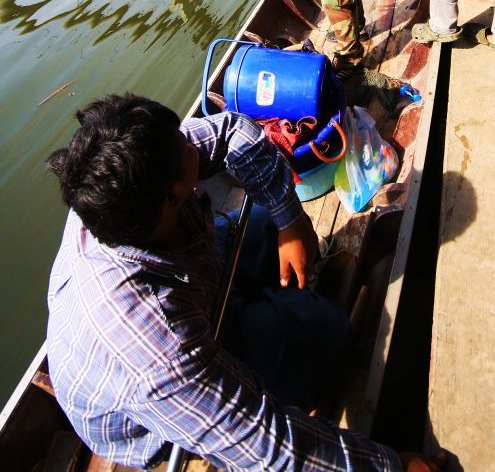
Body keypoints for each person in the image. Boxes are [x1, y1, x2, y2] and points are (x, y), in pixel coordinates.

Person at [46, 94, 447, 472]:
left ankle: (266, 298)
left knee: (266, 223)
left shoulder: (117, 190)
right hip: (160, 411)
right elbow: (268, 443)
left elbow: (231, 132)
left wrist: (291, 219)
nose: (193, 144)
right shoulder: (157, 354)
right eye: (184, 150)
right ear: (170, 199)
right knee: (325, 329)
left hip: (189, 280)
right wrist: (390, 465)